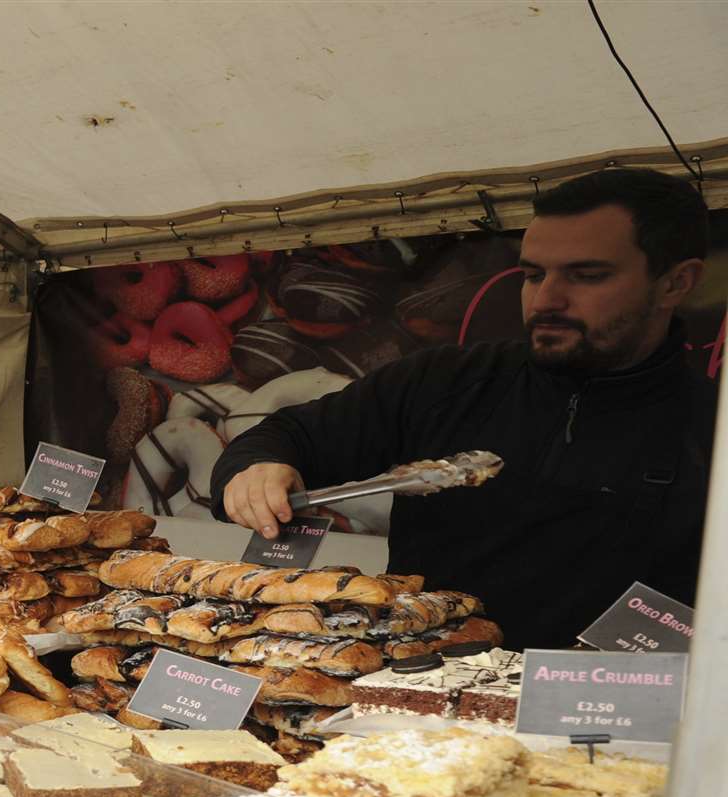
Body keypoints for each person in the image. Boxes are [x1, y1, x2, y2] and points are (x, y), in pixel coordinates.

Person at [212, 168, 714, 649]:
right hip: (412, 689)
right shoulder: (444, 381)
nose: (546, 300)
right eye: (533, 275)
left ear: (675, 283)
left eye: (586, 276)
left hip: (601, 714)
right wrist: (258, 468)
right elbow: (288, 435)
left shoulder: (713, 430)